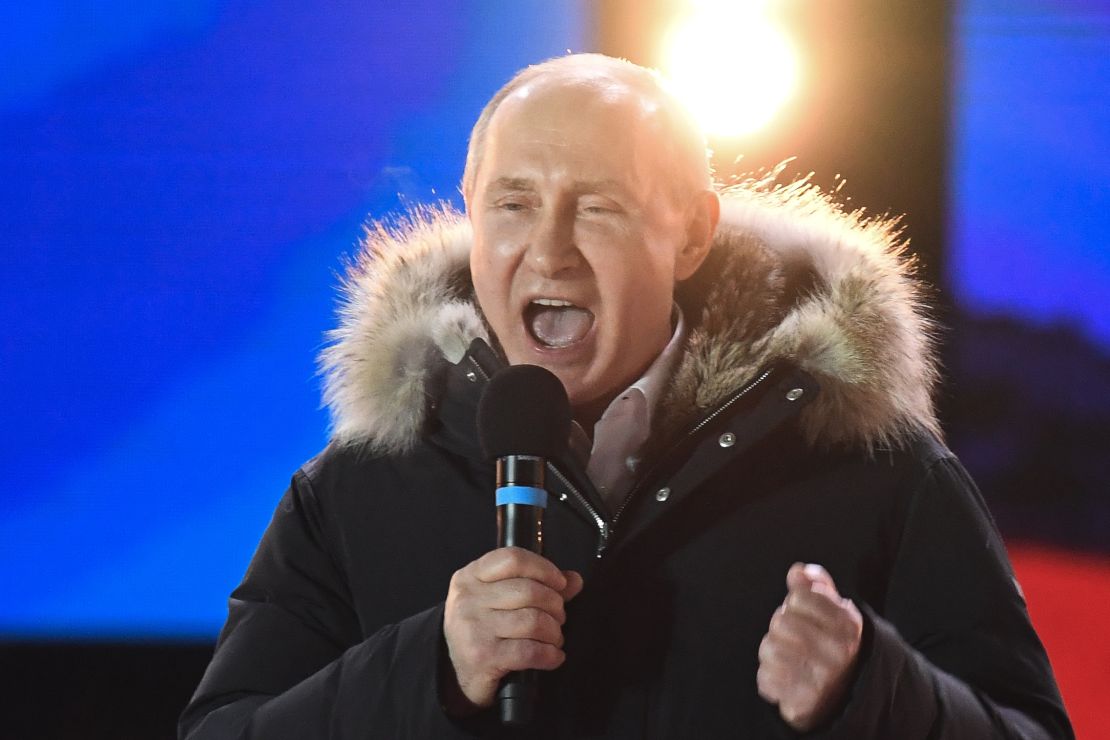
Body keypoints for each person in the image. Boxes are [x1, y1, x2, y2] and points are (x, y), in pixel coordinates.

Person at [180, 53, 1072, 738]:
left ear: (690, 234)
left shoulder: (879, 471)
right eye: (514, 203)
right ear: (471, 210)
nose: (550, 250)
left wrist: (875, 692)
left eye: (597, 207)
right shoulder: (354, 489)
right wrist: (429, 668)